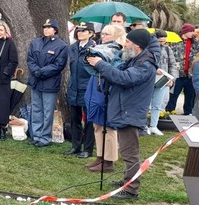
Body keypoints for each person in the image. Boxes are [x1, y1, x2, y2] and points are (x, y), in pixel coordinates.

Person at [87, 29, 156, 200]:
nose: (124, 45)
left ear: (137, 45)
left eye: (128, 42)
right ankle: (127, 181)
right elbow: (118, 74)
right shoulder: (135, 60)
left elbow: (124, 79)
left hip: (130, 112)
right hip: (125, 110)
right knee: (128, 152)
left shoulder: (145, 65)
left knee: (130, 153)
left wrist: (101, 65)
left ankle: (131, 189)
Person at [84, 24, 125, 173]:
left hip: (107, 90)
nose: (103, 36)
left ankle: (109, 161)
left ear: (116, 36)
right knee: (98, 125)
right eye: (103, 33)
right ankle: (100, 157)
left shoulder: (117, 51)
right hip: (96, 86)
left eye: (107, 34)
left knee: (108, 127)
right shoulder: (100, 49)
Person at [26, 19, 69, 147]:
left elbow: (59, 64)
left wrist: (42, 72)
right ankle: (37, 135)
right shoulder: (35, 42)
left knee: (47, 111)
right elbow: (30, 59)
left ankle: (45, 137)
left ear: (55, 30)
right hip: (36, 80)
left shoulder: (61, 45)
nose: (46, 29)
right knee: (36, 109)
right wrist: (36, 71)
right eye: (45, 27)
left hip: (49, 82)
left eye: (49, 27)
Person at [65, 22, 96, 158]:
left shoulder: (94, 48)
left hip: (87, 87)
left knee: (89, 120)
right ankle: (75, 146)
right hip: (74, 87)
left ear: (91, 33)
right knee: (74, 118)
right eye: (79, 31)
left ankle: (87, 149)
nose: (80, 33)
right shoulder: (72, 48)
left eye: (84, 31)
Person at [147, 30, 178, 136]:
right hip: (149, 79)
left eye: (164, 41)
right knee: (146, 104)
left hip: (164, 80)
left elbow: (173, 65)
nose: (162, 44)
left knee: (158, 104)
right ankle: (144, 125)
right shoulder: (148, 48)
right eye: (160, 41)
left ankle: (153, 126)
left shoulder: (168, 49)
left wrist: (171, 79)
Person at [166, 23, 198, 115]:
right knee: (173, 95)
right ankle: (169, 113)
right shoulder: (175, 42)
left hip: (190, 74)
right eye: (191, 31)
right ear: (185, 31)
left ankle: (188, 114)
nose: (193, 33)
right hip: (178, 74)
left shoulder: (195, 43)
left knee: (190, 96)